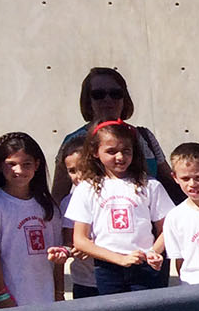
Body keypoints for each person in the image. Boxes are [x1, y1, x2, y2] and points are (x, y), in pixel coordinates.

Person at [65, 121, 172, 294]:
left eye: (126, 151)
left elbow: (167, 228)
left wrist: (153, 253)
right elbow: (80, 240)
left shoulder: (150, 185)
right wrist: (119, 259)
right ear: (95, 152)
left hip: (145, 266)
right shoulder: (86, 188)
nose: (120, 157)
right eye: (111, 151)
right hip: (108, 269)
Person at [59, 67, 179, 204]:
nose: (108, 99)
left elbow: (170, 179)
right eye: (98, 94)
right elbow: (58, 194)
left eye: (115, 93)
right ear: (88, 100)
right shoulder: (73, 140)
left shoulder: (144, 137)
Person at [0, 133, 67, 308]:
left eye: (26, 164)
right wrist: (2, 295)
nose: (19, 170)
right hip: (11, 301)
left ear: (37, 165)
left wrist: (59, 292)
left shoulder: (48, 207)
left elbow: (58, 257)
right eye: (12, 164)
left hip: (46, 298)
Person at [159, 144, 199, 285]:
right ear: (175, 177)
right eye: (185, 178)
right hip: (193, 287)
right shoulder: (175, 216)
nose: (192, 184)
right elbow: (179, 260)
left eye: (198, 177)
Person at [56, 141, 97, 298]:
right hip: (85, 281)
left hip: (114, 275)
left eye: (84, 169)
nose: (79, 176)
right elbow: (69, 242)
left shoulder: (111, 193)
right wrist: (66, 251)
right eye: (72, 171)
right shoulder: (68, 201)